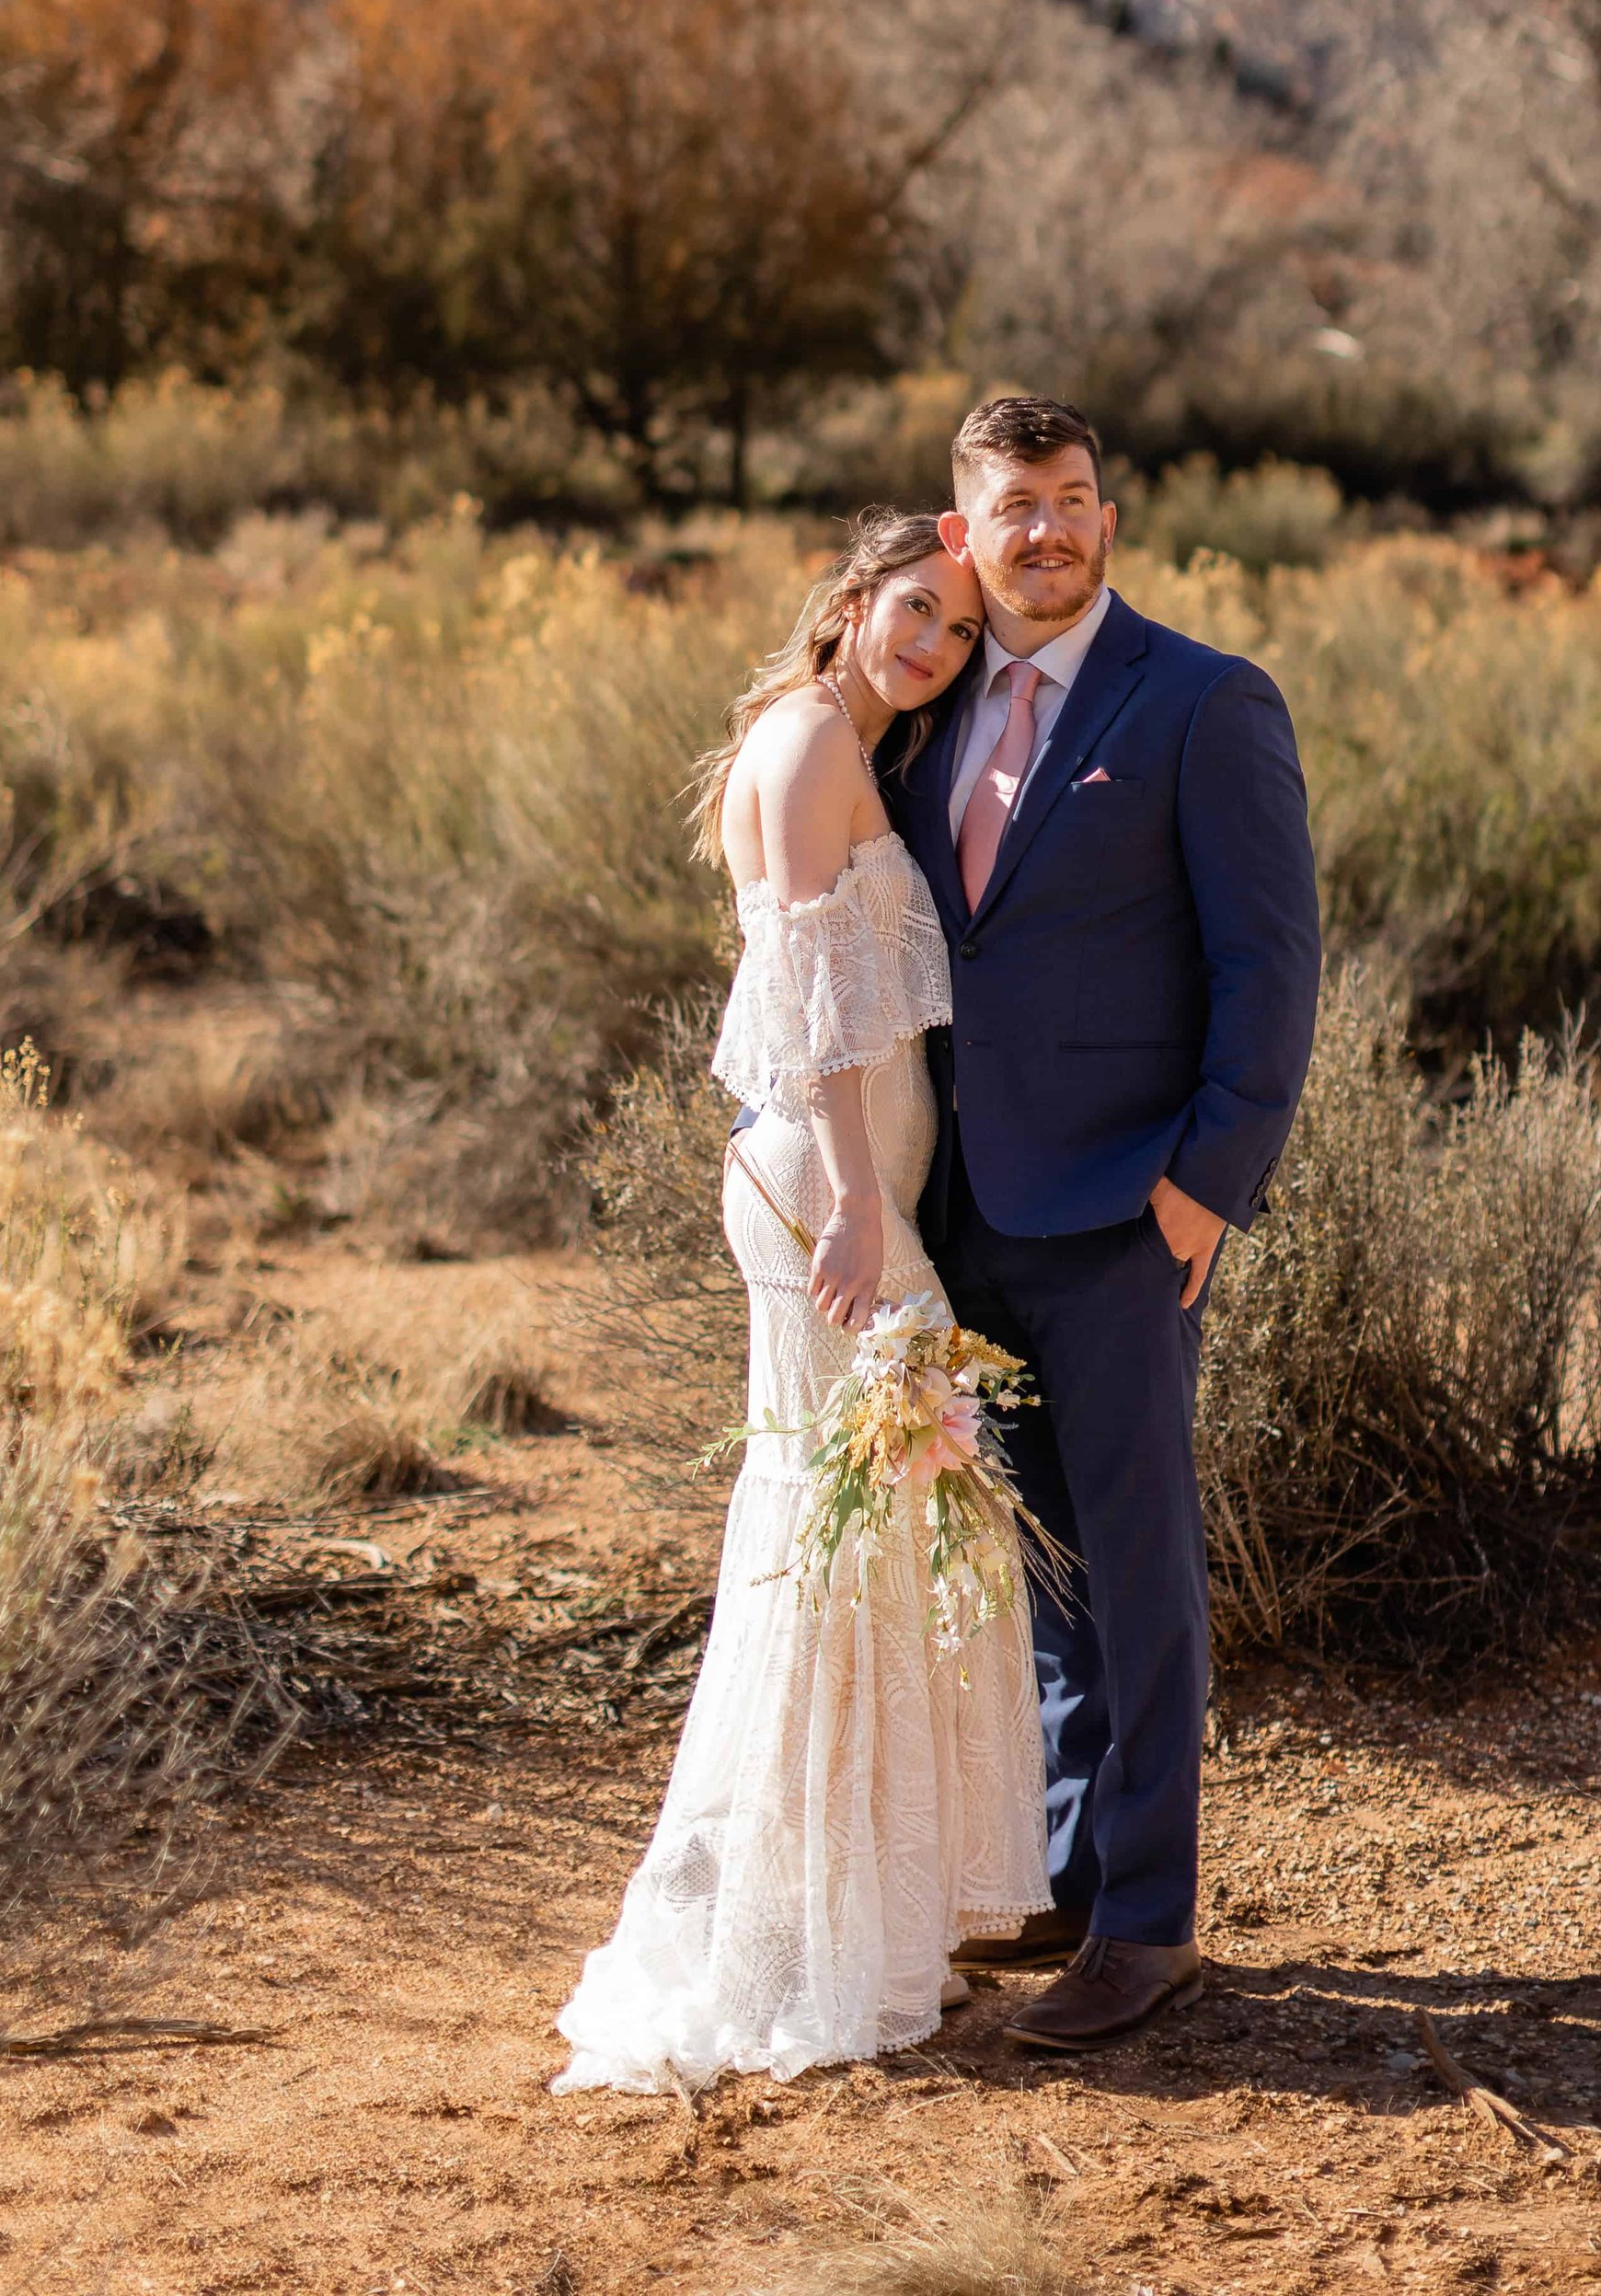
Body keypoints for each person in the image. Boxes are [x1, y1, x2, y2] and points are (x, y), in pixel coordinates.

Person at [551, 513, 1052, 2094]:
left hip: (851, 1189)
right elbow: (821, 1011)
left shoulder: (838, 739)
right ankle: (799, 1939)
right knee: (845, 1531)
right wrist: (855, 1199)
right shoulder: (809, 746)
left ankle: (850, 1914)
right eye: (917, 610)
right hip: (827, 1195)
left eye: (961, 634)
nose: (936, 647)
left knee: (873, 1531)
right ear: (854, 601)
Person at [884, 396, 1322, 2050]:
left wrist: (1207, 1187)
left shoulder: (1206, 701)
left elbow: (1268, 967)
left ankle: (1149, 1924)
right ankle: (1071, 1877)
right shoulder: (925, 712)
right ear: (963, 533)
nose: (1049, 532)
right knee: (1052, 1572)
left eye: (1074, 503)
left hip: (1130, 1220)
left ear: (1110, 520)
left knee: (1138, 1573)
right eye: (1016, 508)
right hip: (970, 1212)